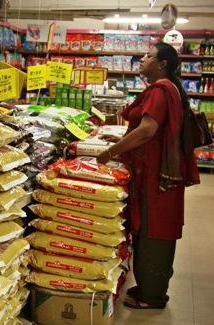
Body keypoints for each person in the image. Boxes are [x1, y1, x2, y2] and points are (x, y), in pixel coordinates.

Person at [97, 42, 200, 309]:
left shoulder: (160, 90)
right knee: (154, 229)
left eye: (148, 56)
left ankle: (151, 296)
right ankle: (149, 288)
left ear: (162, 64)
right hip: (159, 173)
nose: (141, 59)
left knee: (155, 230)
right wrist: (119, 138)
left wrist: (111, 151)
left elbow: (146, 131)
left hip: (156, 177)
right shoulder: (168, 88)